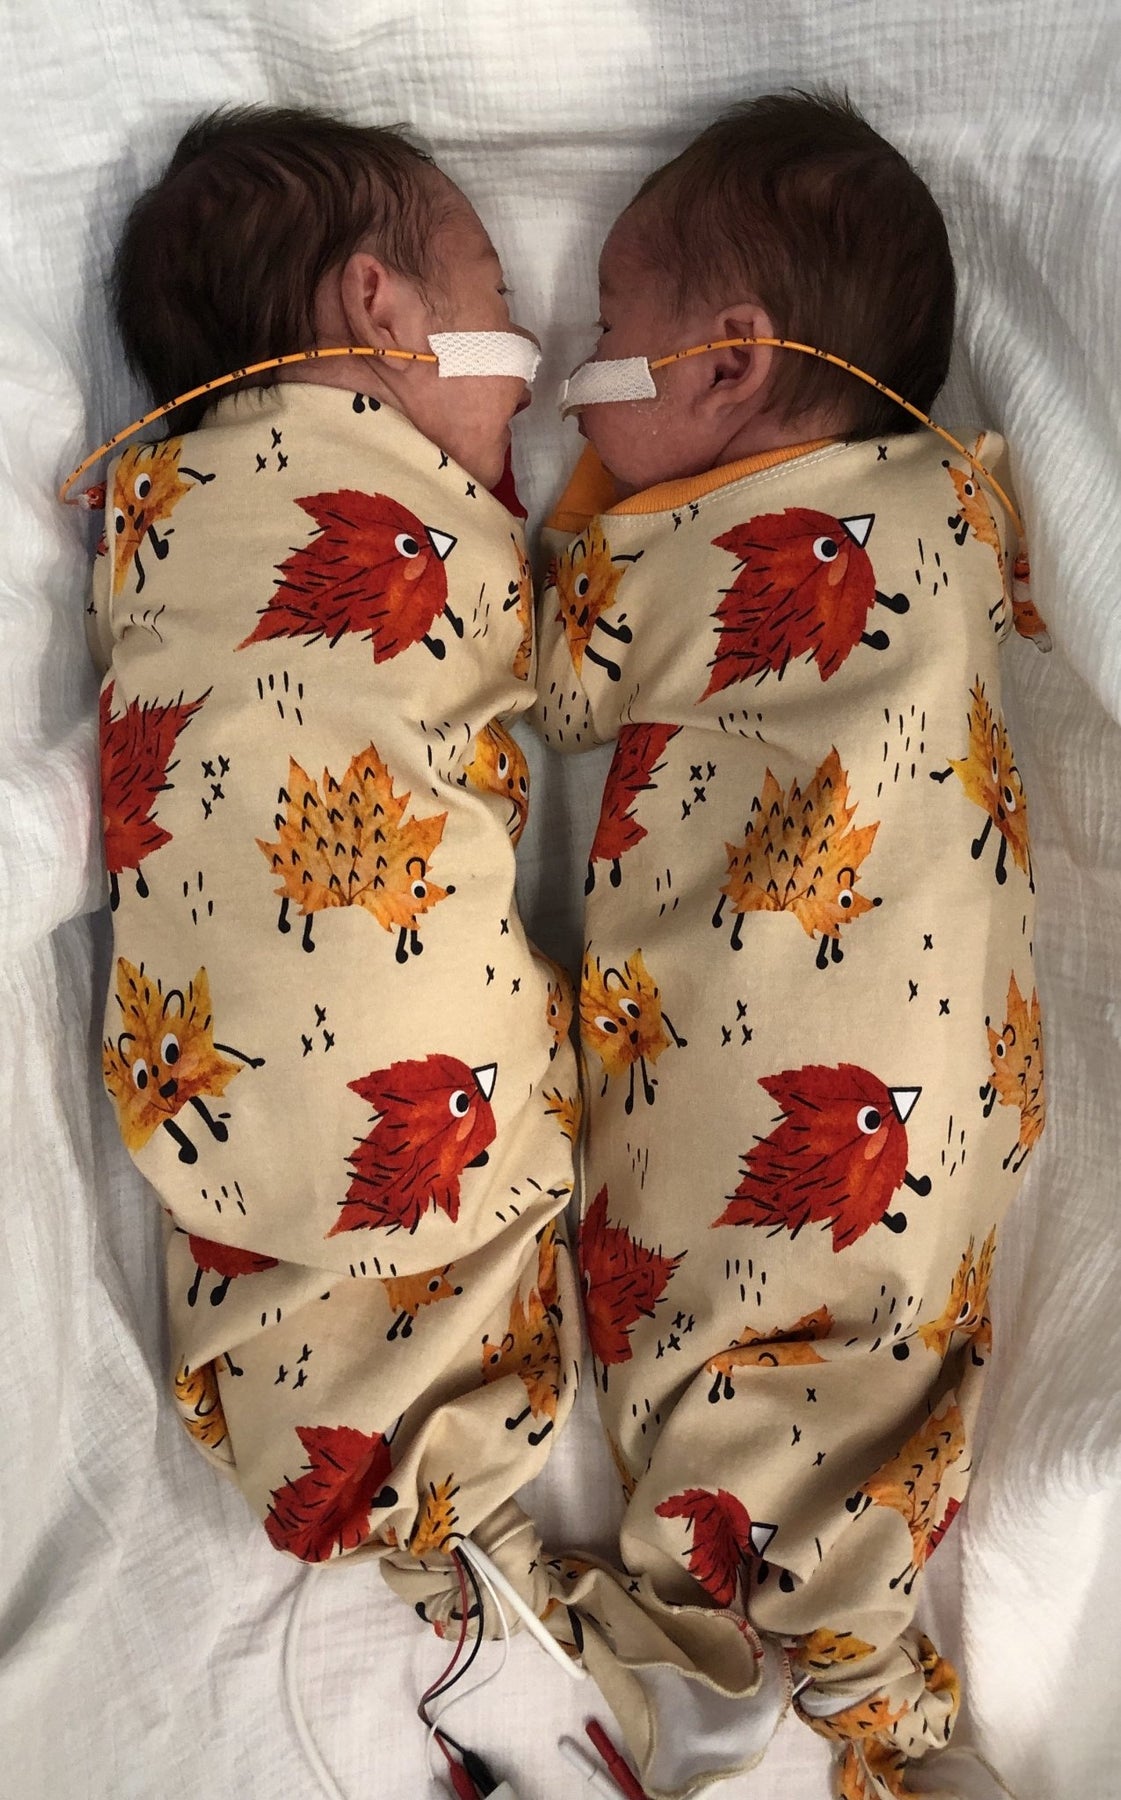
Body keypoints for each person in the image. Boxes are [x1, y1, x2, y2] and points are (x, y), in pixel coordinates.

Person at [536, 88, 1044, 1799]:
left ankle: (734, 1624)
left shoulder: (693, 549)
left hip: (783, 1037)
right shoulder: (954, 509)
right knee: (884, 1336)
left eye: (605, 336)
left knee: (724, 1294)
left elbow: (549, 676)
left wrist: (592, 491)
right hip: (949, 1058)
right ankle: (858, 1679)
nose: (571, 379)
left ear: (730, 362)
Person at [87, 103, 585, 1640]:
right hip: (408, 1017)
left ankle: (365, 1462)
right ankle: (430, 1485)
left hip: (205, 1063)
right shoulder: (419, 529)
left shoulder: (157, 513)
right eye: (499, 295)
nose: (535, 352)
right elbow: (568, 681)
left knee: (286, 1204)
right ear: (382, 306)